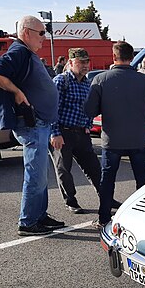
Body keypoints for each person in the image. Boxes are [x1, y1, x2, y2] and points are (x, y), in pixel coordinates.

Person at [0, 15, 65, 236]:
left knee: (40, 173)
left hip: (40, 122)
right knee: (35, 174)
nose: (44, 37)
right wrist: (17, 92)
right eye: (41, 33)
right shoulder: (19, 51)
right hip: (33, 123)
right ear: (27, 32)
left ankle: (39, 216)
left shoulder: (25, 52)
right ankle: (28, 221)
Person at [84, 41, 145, 229]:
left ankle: (104, 218)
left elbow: (89, 109)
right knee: (142, 179)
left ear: (114, 57)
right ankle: (142, 217)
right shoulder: (144, 80)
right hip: (137, 138)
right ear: (132, 58)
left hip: (112, 138)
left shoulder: (101, 79)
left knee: (107, 179)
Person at [49, 48, 103, 214]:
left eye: (87, 61)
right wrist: (55, 133)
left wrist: (87, 125)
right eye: (81, 62)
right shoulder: (61, 81)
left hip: (81, 132)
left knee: (94, 167)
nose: (86, 65)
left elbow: (88, 108)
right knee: (64, 169)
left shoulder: (87, 83)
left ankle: (105, 196)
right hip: (63, 133)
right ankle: (71, 200)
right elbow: (52, 109)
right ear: (71, 63)